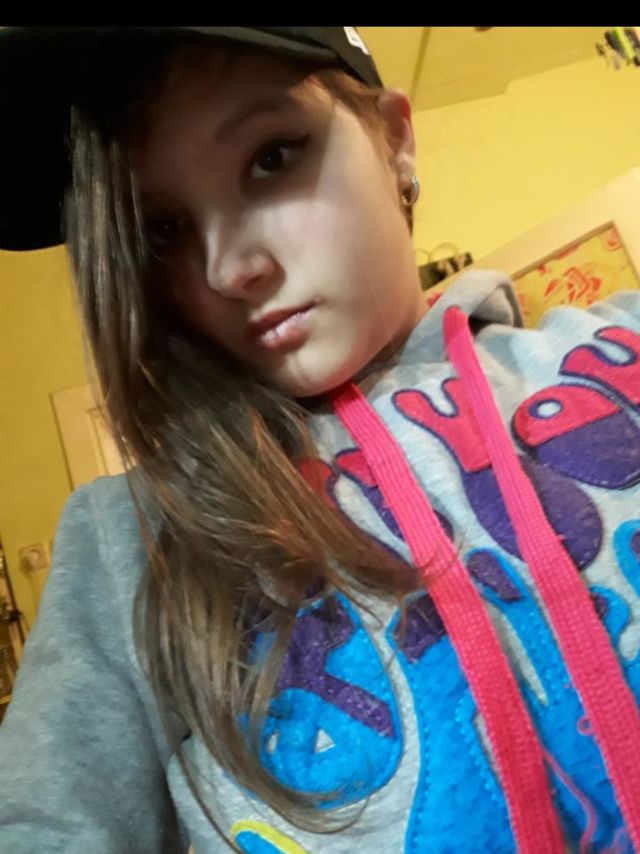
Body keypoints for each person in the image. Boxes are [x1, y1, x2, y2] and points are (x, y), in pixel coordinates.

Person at [1, 26, 640, 854]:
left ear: (396, 142)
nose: (229, 269)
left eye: (272, 158)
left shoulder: (615, 352)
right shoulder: (136, 535)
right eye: (163, 230)